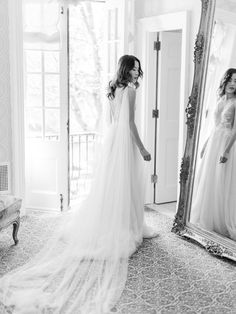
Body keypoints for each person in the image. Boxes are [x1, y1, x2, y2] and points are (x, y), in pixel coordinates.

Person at [0, 55, 157, 313]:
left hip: (112, 142)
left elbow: (112, 122)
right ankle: (125, 225)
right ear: (126, 70)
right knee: (124, 186)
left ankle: (116, 222)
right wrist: (141, 149)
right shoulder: (129, 91)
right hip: (124, 143)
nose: (136, 72)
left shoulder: (112, 88)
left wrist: (113, 144)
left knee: (110, 188)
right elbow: (129, 124)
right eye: (133, 68)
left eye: (139, 68)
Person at [190, 68, 236, 240]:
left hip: (226, 144)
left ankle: (222, 220)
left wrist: (227, 150)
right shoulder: (220, 99)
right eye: (230, 80)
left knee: (222, 180)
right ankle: (208, 217)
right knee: (209, 179)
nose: (232, 84)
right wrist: (206, 144)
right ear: (225, 81)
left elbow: (235, 129)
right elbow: (215, 125)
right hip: (214, 142)